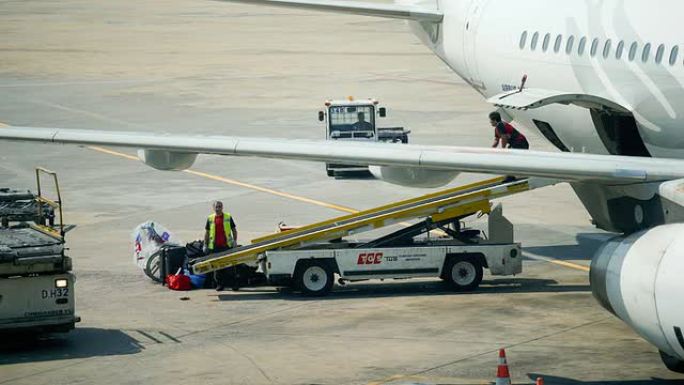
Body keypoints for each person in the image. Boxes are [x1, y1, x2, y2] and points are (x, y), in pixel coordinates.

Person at [203, 201, 238, 290]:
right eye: (216, 207)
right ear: (213, 208)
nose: (218, 208)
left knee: (230, 266)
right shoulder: (210, 218)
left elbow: (234, 229)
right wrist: (205, 244)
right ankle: (220, 284)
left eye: (219, 207)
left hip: (227, 245)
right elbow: (207, 232)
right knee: (217, 267)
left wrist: (234, 241)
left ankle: (233, 284)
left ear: (222, 207)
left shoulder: (228, 217)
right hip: (215, 247)